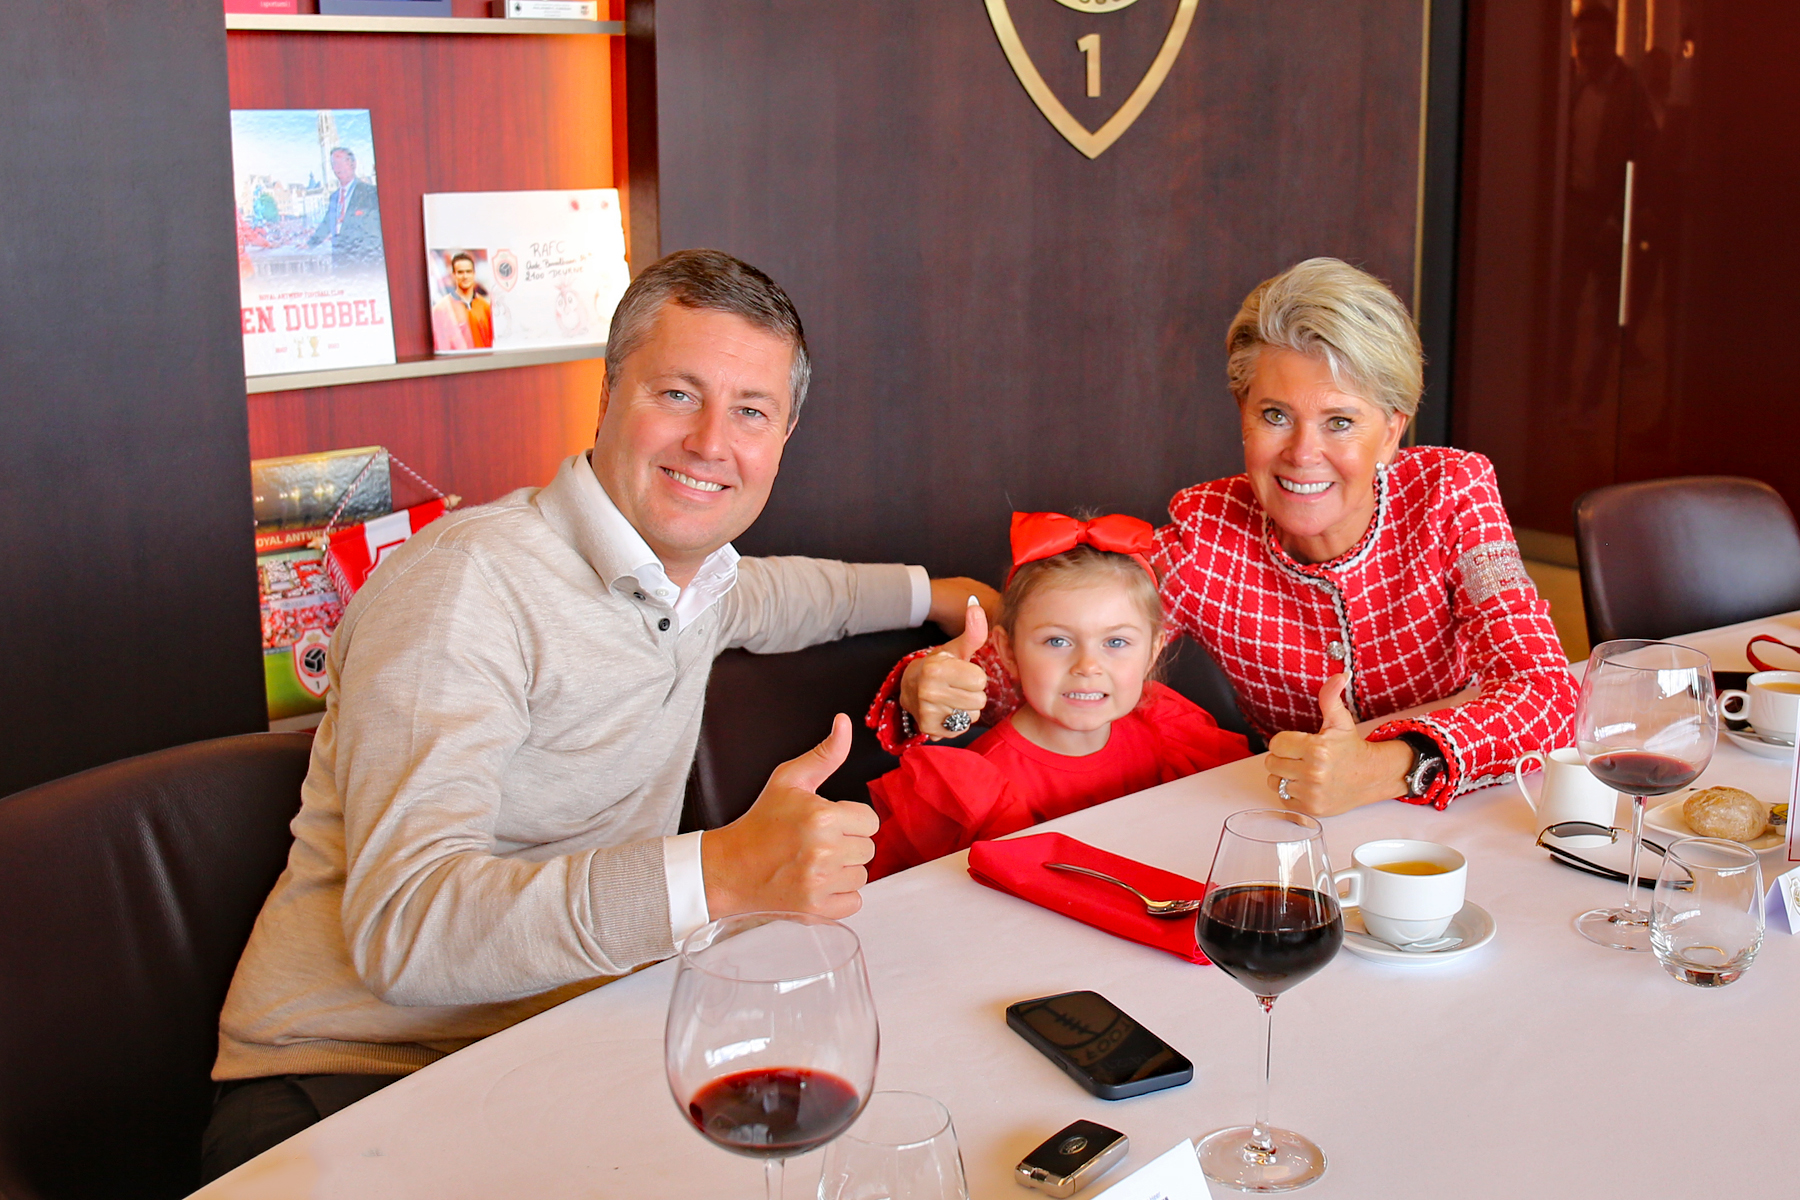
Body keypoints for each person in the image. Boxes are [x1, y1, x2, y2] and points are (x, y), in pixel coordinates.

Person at [201, 249, 996, 1180]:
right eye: (678, 394)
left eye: (751, 412)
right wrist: (721, 872)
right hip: (347, 1078)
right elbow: (405, 932)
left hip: (558, 1041)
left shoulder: (692, 583)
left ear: (783, 437)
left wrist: (943, 594)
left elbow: (795, 596)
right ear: (609, 393)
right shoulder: (463, 588)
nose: (711, 442)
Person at [879, 257, 1576, 816]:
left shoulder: (1452, 494)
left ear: (1392, 431)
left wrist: (1389, 766)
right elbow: (1056, 660)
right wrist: (934, 689)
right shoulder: (1207, 533)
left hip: (1474, 801)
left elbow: (1549, 694)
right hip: (1296, 826)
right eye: (1276, 415)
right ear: (1242, 413)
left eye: (1340, 422)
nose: (1302, 454)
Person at [865, 512, 1249, 878]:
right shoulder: (973, 792)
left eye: (1116, 642)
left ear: (1152, 652)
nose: (1087, 666)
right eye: (1058, 641)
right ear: (1008, 652)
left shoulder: (1173, 736)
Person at [307, 146, 383, 271]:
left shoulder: (370, 193)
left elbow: (376, 233)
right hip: (340, 265)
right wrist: (310, 244)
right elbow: (327, 224)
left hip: (365, 266)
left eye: (343, 162)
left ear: (353, 164)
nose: (338, 167)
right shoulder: (334, 197)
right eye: (334, 164)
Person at [430, 251, 494, 350]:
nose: (465, 276)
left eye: (468, 271)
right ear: (453, 275)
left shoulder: (486, 307)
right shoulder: (440, 310)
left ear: (474, 274)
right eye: (460, 272)